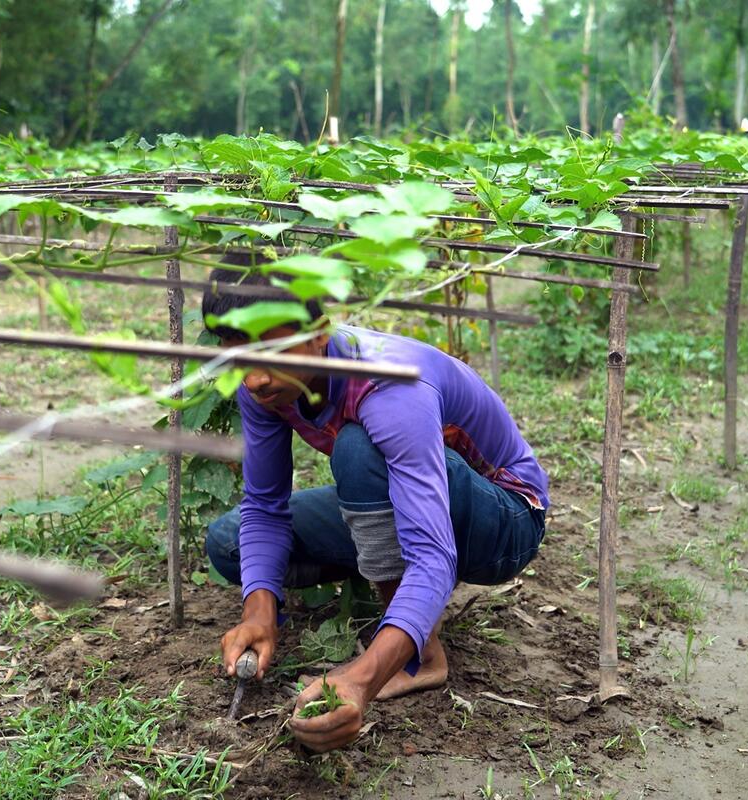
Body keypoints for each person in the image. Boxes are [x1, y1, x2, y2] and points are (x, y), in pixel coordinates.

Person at [202, 263, 550, 754]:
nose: (256, 379)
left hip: (505, 520)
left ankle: (419, 656)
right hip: (415, 502)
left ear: (318, 334)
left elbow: (433, 554)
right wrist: (259, 613)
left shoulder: (388, 387)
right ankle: (400, 607)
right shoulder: (261, 386)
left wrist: (361, 681)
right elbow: (264, 504)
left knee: (358, 448)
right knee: (229, 540)